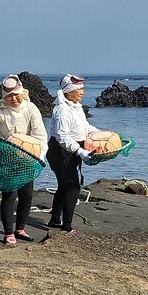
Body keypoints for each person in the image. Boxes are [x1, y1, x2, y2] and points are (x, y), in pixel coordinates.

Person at [0, 74, 48, 244]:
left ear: (22, 92)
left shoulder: (31, 109)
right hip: (6, 157)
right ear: (4, 96)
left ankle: (20, 229)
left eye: (17, 94)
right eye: (9, 96)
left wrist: (40, 156)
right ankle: (8, 233)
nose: (14, 99)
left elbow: (40, 136)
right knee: (9, 194)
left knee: (27, 195)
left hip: (28, 157)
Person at [47, 73, 98, 233]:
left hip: (73, 151)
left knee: (64, 185)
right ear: (69, 92)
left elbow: (86, 127)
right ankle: (66, 226)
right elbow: (62, 136)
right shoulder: (62, 109)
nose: (82, 91)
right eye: (79, 89)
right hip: (60, 151)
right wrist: (80, 151)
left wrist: (103, 134)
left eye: (82, 88)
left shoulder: (76, 107)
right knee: (73, 187)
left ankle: (55, 220)